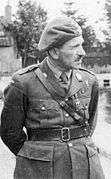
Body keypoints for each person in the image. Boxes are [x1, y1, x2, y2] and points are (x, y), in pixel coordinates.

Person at [1, 17, 105, 179]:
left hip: (84, 165)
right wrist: (34, 157)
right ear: (55, 52)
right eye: (74, 47)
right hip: (41, 169)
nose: (82, 52)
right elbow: (10, 132)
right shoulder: (23, 82)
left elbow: (89, 126)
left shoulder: (89, 80)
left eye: (81, 45)